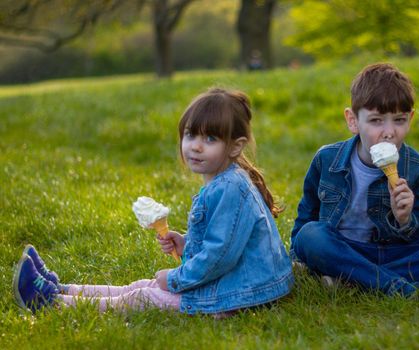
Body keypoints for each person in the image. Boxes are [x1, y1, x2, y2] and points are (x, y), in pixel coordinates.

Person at [13, 88, 294, 315]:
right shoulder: (224, 180)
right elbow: (224, 243)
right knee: (142, 285)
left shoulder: (231, 188)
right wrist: (185, 243)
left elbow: (220, 256)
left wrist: (175, 279)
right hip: (243, 282)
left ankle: (50, 303)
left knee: (145, 297)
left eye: (210, 138)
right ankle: (60, 288)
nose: (195, 146)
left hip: (244, 293)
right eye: (190, 134)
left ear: (235, 146)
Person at [290, 63, 419, 297]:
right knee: (311, 236)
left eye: (399, 120)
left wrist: (406, 219)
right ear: (353, 121)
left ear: (411, 119)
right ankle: (409, 288)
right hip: (344, 249)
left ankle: (352, 281)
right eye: (376, 120)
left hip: (397, 252)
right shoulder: (327, 160)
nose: (389, 131)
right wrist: (298, 258)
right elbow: (307, 215)